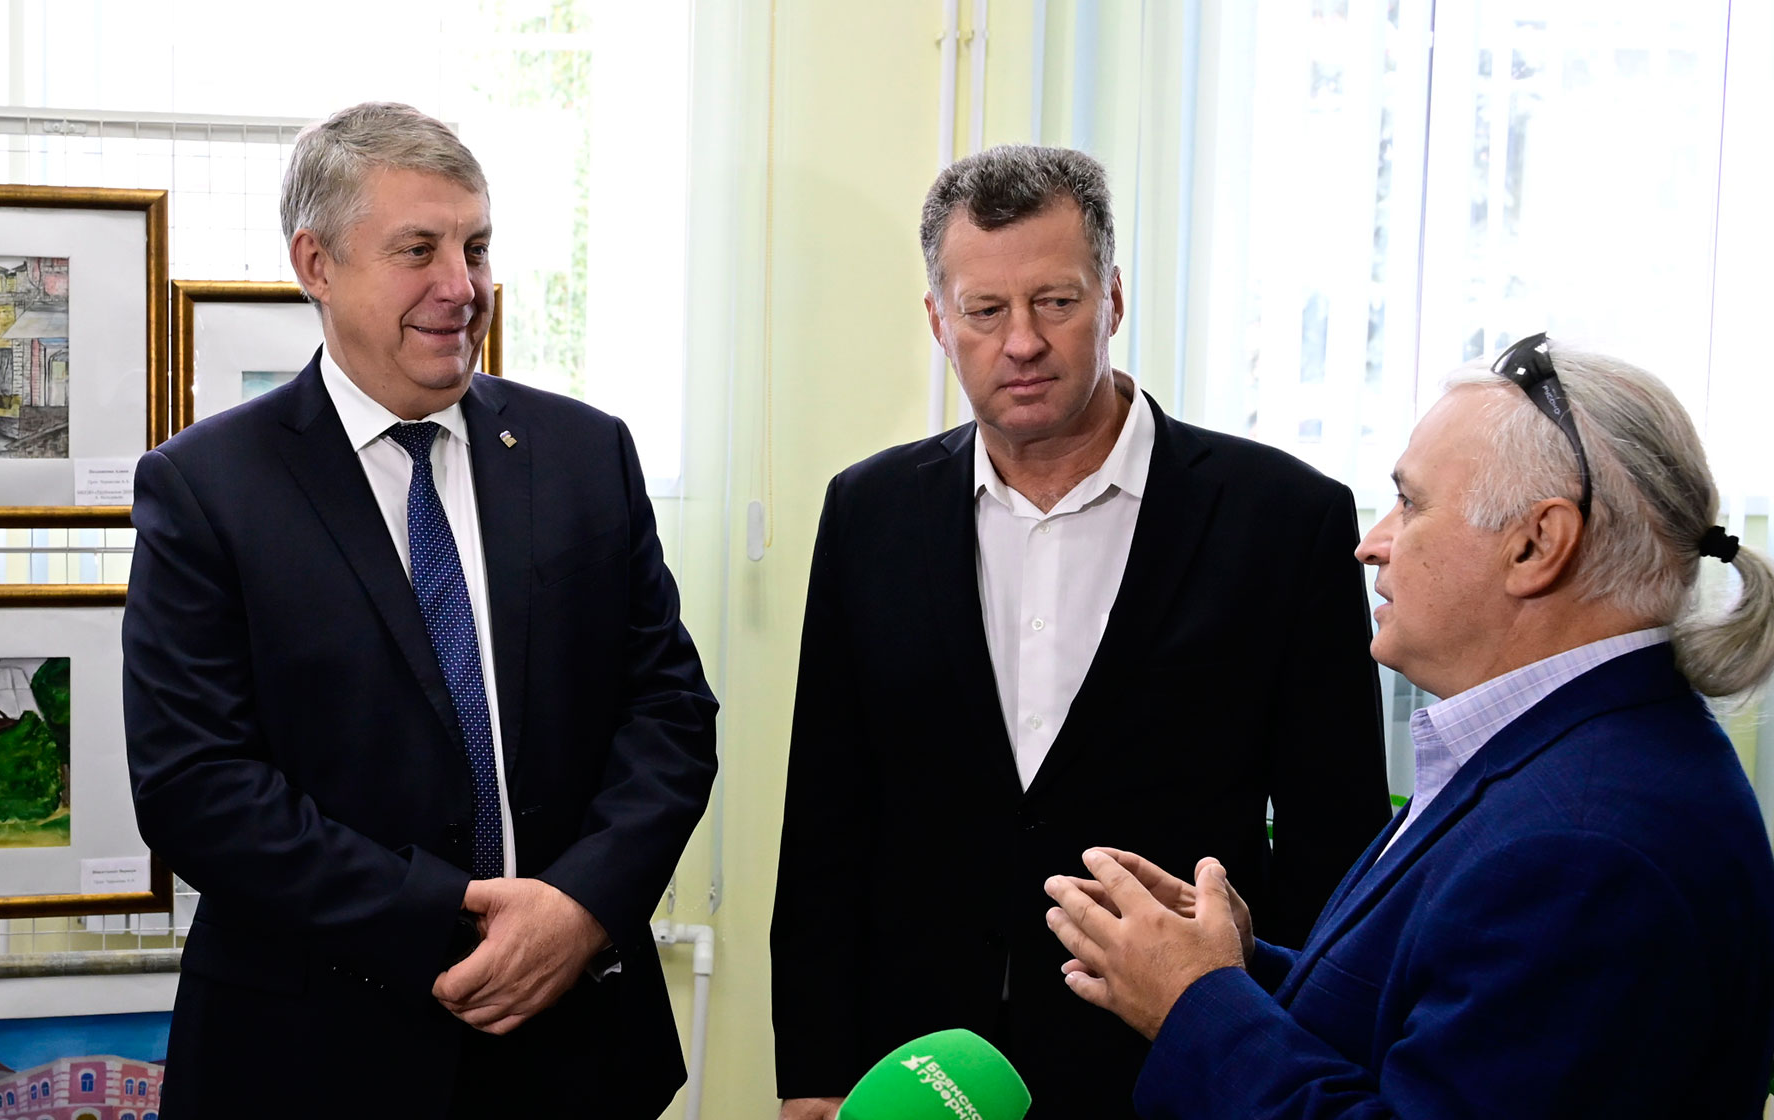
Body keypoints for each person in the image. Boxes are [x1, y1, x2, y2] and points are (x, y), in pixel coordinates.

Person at [771, 144, 1393, 1119]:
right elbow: (827, 819)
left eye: (1055, 301)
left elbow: (1334, 841)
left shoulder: (1283, 520)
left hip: (1173, 1061)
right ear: (939, 321)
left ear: (1113, 299)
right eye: (985, 310)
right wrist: (813, 1073)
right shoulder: (868, 512)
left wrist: (1292, 1058)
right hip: (923, 1066)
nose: (1021, 342)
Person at [123, 102, 718, 1118]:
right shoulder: (206, 489)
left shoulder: (586, 456)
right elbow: (195, 786)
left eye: (475, 247)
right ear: (315, 263)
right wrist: (447, 914)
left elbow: (668, 714)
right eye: (418, 250)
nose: (462, 286)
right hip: (314, 1060)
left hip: (572, 1050)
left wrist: (580, 907)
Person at [1046, 338, 1774, 1118]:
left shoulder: (1584, 852)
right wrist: (1231, 969)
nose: (1372, 544)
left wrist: (1194, 1003)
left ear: (1537, 544)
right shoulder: (1566, 760)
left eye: (1412, 503)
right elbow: (1430, 1016)